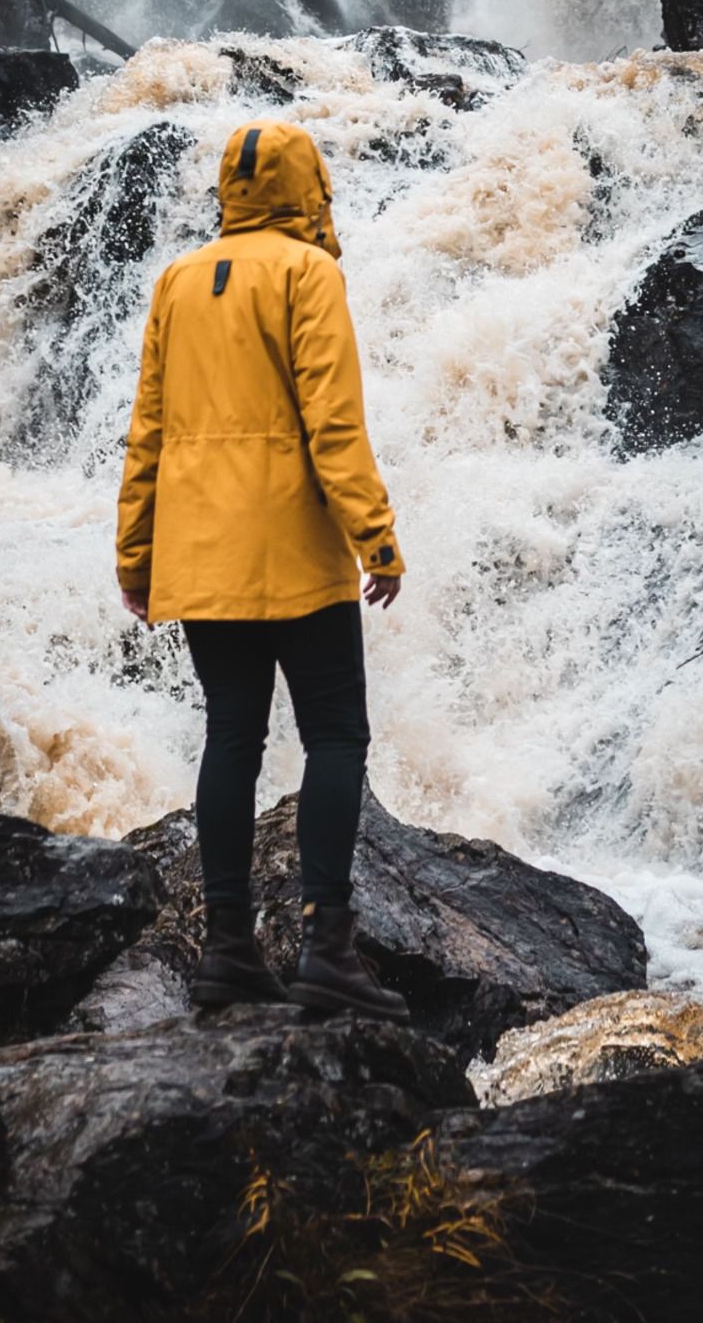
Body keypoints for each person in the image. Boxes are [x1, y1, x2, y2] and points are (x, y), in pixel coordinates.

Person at [116, 118, 407, 1016]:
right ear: (306, 185)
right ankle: (327, 945)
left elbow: (148, 432)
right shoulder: (309, 271)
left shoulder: (177, 280)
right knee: (334, 736)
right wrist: (377, 537)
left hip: (201, 551)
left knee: (231, 736)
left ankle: (228, 947)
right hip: (291, 548)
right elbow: (333, 421)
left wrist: (136, 554)